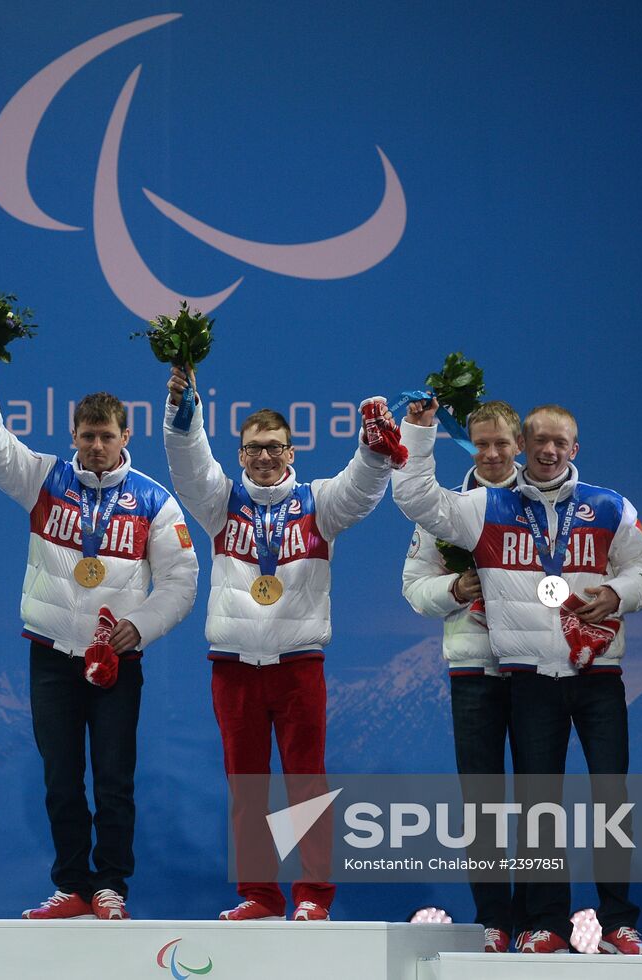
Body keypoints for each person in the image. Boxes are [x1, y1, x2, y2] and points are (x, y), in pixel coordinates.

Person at [393, 399, 642, 954]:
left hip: (587, 670)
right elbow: (415, 502)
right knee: (518, 804)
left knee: (608, 798)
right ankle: (530, 921)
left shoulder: (604, 506)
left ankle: (614, 923)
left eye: (557, 442)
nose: (546, 450)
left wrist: (616, 595)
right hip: (503, 670)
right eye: (540, 440)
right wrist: (418, 432)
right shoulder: (482, 508)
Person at [0, 348, 198, 921]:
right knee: (61, 779)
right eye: (87, 435)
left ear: (124, 435)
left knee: (113, 781)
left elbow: (181, 583)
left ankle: (111, 883)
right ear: (73, 434)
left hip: (118, 662)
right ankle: (72, 884)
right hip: (51, 658)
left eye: (105, 435)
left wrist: (138, 627)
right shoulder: (44, 478)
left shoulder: (153, 501)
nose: (95, 445)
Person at [163, 367, 395, 922]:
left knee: (306, 785)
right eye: (252, 450)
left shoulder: (320, 505)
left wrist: (373, 446)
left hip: (298, 666)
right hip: (234, 667)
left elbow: (362, 487)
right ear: (239, 455)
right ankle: (260, 896)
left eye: (273, 448)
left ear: (291, 452)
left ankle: (313, 897)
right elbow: (188, 463)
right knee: (247, 789)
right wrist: (183, 406)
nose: (263, 458)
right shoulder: (220, 503)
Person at [400, 400, 522, 952]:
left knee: (541, 796)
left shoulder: (546, 503)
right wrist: (455, 590)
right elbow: (413, 587)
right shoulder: (445, 509)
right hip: (473, 668)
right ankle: (494, 918)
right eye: (481, 443)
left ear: (518, 444)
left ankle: (544, 918)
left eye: (501, 443)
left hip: (539, 668)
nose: (492, 453)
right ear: (467, 445)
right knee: (483, 800)